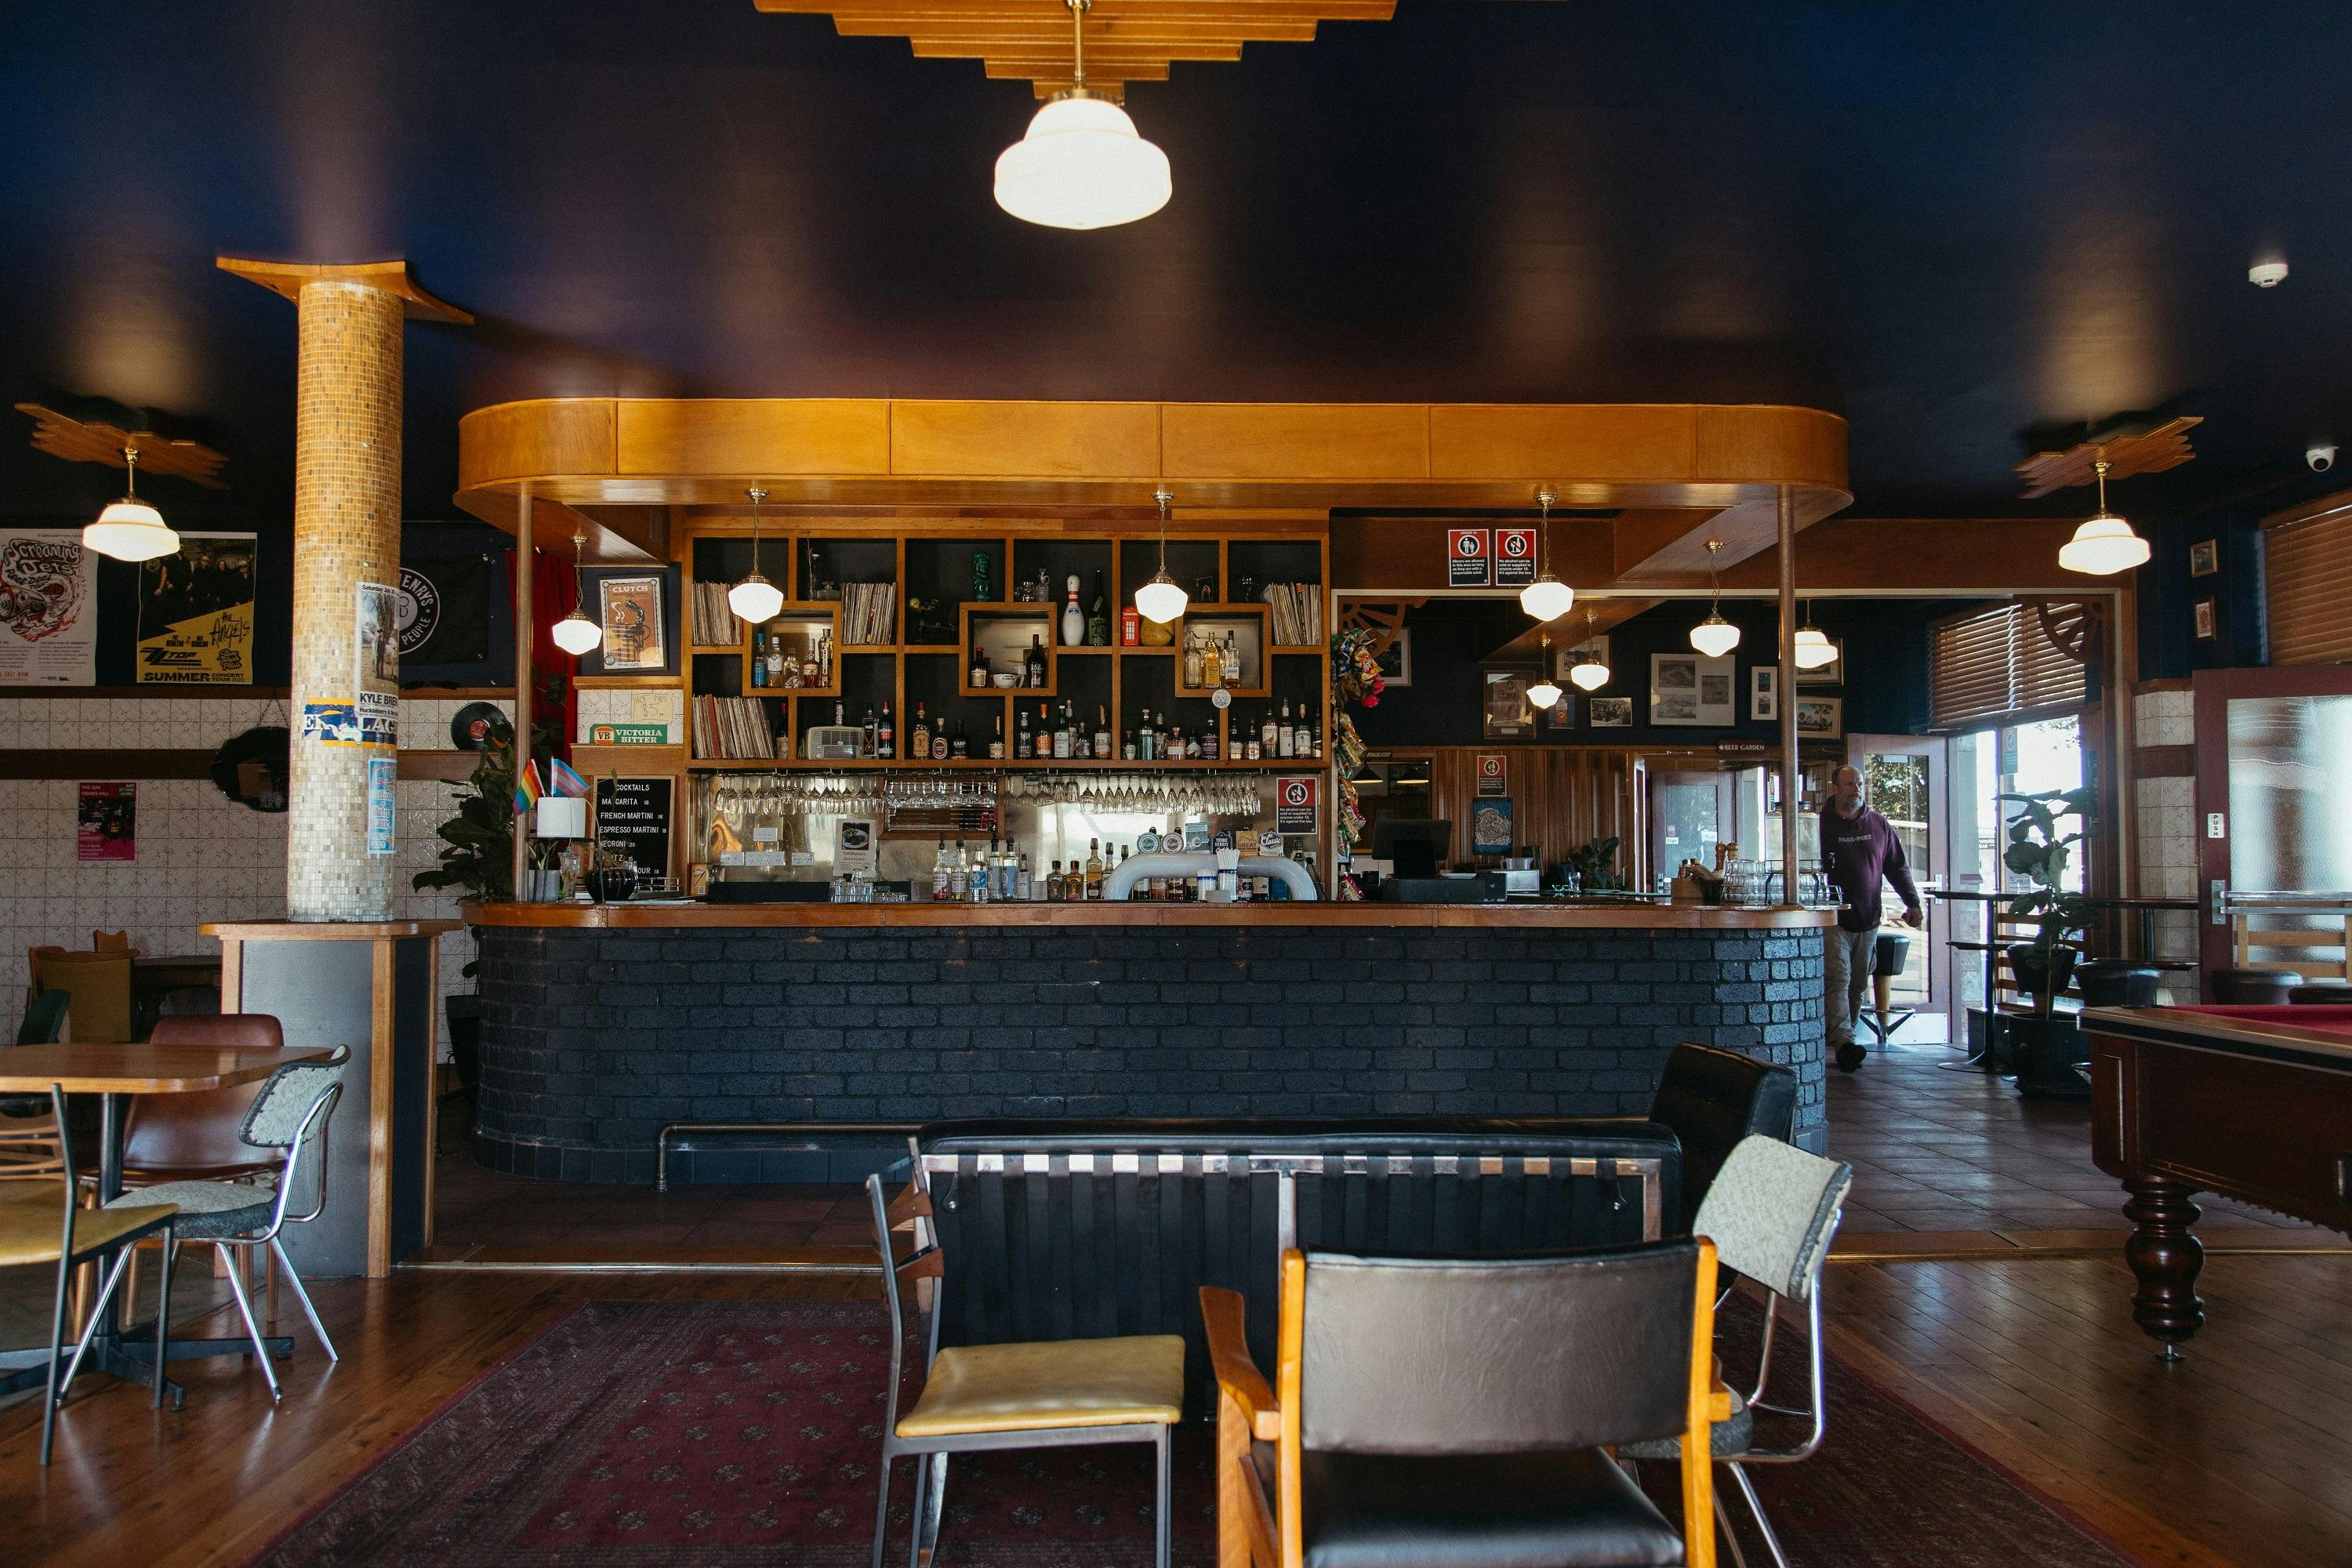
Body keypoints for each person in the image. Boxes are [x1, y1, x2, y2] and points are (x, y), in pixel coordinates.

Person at [1819, 764, 1923, 1072]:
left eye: (1859, 784)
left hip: (1868, 918)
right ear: (1835, 787)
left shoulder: (1878, 824)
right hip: (1832, 917)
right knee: (1838, 978)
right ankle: (1844, 1042)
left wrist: (1912, 902)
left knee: (1857, 983)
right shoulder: (1819, 824)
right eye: (1849, 784)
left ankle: (1846, 1042)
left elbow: (1897, 867)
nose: (1856, 789)